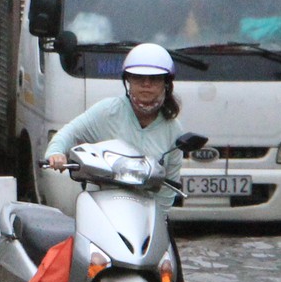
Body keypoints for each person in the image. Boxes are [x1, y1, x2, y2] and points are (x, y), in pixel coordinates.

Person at [45, 42, 184, 208]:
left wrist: (158, 222)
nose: (146, 84)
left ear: (166, 83)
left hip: (146, 214)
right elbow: (68, 133)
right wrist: (56, 153)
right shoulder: (107, 111)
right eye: (139, 78)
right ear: (128, 81)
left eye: (154, 79)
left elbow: (169, 188)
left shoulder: (173, 128)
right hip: (103, 209)